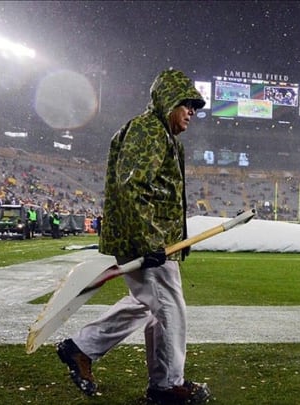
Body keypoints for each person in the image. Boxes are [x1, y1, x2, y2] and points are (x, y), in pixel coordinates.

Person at [55, 69, 210, 405]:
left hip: (153, 237)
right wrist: (150, 238)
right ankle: (167, 386)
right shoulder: (149, 129)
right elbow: (133, 185)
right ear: (169, 102)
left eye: (195, 107)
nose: (192, 112)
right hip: (148, 237)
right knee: (169, 307)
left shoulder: (160, 134)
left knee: (151, 306)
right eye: (187, 104)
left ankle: (83, 348)